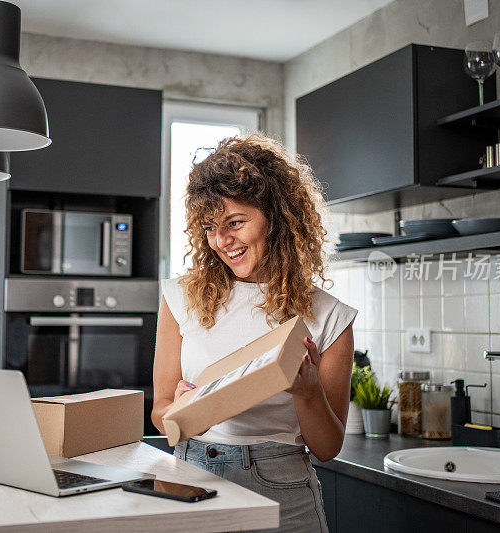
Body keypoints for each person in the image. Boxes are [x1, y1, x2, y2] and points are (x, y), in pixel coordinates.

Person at [151, 134, 357, 532]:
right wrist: (179, 411)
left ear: (276, 218)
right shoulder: (180, 298)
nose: (222, 242)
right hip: (191, 477)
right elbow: (160, 411)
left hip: (282, 488)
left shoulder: (330, 316)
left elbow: (328, 448)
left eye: (236, 223)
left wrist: (307, 391)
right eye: (210, 227)